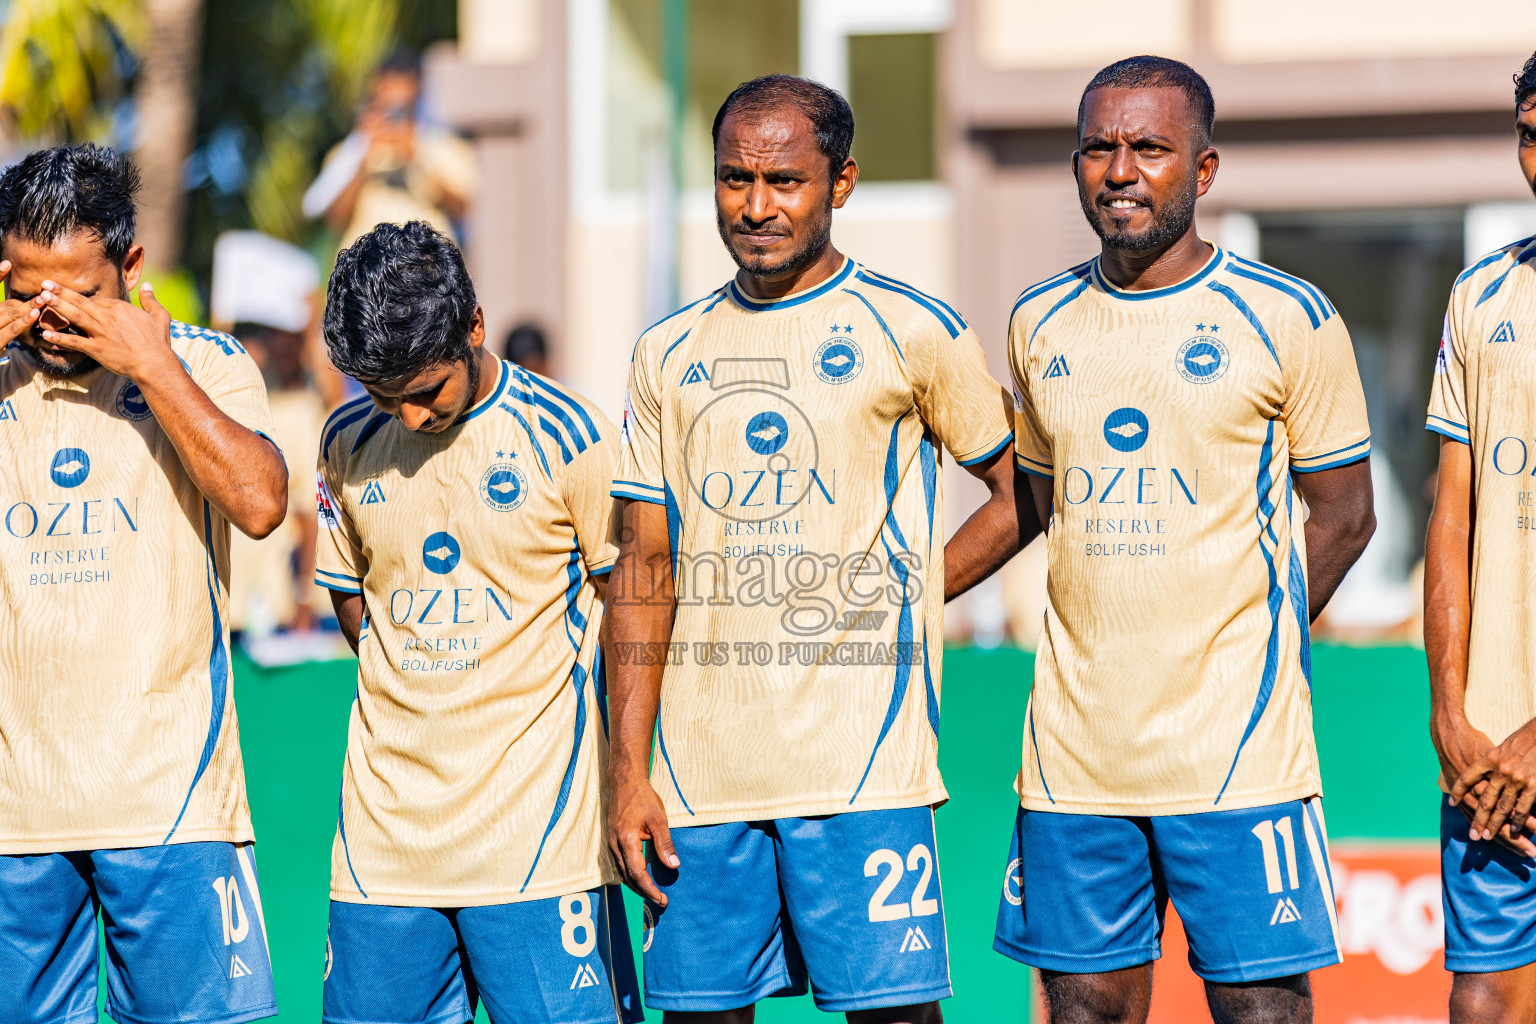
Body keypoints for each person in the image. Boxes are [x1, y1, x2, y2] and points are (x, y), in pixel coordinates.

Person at [606, 74, 1035, 1022]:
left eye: (785, 181)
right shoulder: (666, 353)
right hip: (697, 783)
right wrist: (625, 772)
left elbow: (1023, 492)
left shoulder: (912, 327)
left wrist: (917, 592)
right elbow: (642, 567)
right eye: (733, 178)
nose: (755, 206)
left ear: (841, 184)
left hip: (864, 771)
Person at [998, 56, 1375, 1024]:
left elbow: (1344, 512)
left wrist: (1258, 636)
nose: (1120, 171)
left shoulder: (1287, 314)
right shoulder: (1038, 320)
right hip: (1075, 753)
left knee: (1260, 1010)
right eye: (1099, 148)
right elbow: (1035, 501)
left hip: (1236, 750)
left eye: (1150, 149)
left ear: (1202, 171)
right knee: (1083, 1007)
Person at [313, 220, 641, 1024]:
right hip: (381, 852)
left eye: (425, 391)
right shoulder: (345, 442)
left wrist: (627, 772)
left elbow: (629, 604)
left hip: (540, 852)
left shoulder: (569, 432)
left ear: (475, 328)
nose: (410, 416)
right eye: (385, 397)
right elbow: (355, 599)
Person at [0, 144, 287, 1024]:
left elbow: (262, 501)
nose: (49, 319)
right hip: (15, 821)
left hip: (172, 806)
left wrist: (155, 368)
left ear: (130, 268)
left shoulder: (208, 363)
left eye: (79, 294)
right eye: (24, 292)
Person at [1424, 51, 1536, 1023]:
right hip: (1491, 751)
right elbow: (1449, 517)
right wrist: (1452, 718)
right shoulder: (1482, 297)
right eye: (1531, 137)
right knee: (1483, 1000)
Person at [302, 50, 477, 249]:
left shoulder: (444, 145)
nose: (394, 115)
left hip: (427, 270)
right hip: (368, 273)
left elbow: (462, 209)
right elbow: (335, 220)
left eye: (402, 108)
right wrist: (362, 160)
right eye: (387, 106)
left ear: (417, 91)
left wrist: (416, 156)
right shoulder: (349, 152)